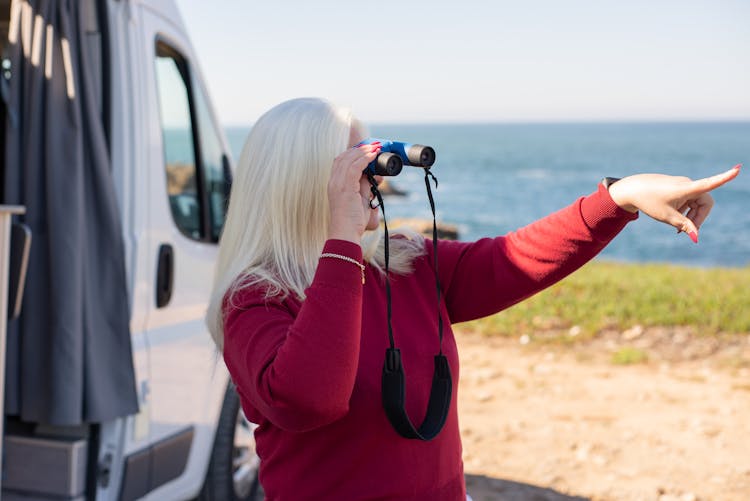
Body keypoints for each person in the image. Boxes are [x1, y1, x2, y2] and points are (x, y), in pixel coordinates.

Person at [206, 97, 740, 501]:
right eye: (355, 161)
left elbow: (515, 259)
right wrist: (341, 238)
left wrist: (618, 198)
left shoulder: (405, 263)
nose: (375, 174)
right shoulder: (256, 300)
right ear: (302, 179)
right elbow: (310, 398)